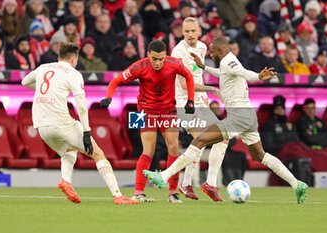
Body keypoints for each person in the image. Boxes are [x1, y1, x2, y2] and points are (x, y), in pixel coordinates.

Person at [144, 37, 308, 205]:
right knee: (261, 155)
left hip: (239, 116)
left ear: (220, 51)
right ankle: (297, 184)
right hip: (248, 117)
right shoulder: (225, 64)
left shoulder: (230, 62)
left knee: (199, 140)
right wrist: (204, 67)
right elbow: (222, 73)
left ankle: (163, 176)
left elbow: (246, 74)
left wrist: (258, 76)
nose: (211, 55)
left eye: (213, 52)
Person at [21, 42, 138, 205]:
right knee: (98, 154)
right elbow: (81, 106)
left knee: (69, 151)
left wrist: (44, 88)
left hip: (42, 126)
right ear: (74, 59)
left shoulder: (44, 67)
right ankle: (118, 196)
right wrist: (86, 131)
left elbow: (24, 82)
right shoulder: (73, 73)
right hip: (61, 123)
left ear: (59, 57)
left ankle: (66, 181)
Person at [100, 40, 195, 203]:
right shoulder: (139, 67)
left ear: (166, 56)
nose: (158, 63)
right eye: (154, 59)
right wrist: (108, 97)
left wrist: (190, 100)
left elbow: (189, 76)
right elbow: (116, 81)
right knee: (148, 151)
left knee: (173, 147)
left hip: (168, 110)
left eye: (161, 59)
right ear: (148, 55)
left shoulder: (174, 63)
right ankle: (138, 193)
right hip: (145, 111)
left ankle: (173, 193)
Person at [171, 17, 228, 202]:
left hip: (200, 101)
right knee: (201, 139)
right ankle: (185, 183)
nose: (189, 35)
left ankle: (209, 183)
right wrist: (212, 89)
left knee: (223, 138)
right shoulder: (178, 51)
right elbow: (183, 83)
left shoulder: (203, 47)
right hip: (184, 103)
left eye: (193, 31)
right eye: (186, 31)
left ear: (199, 30)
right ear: (181, 32)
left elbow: (198, 75)